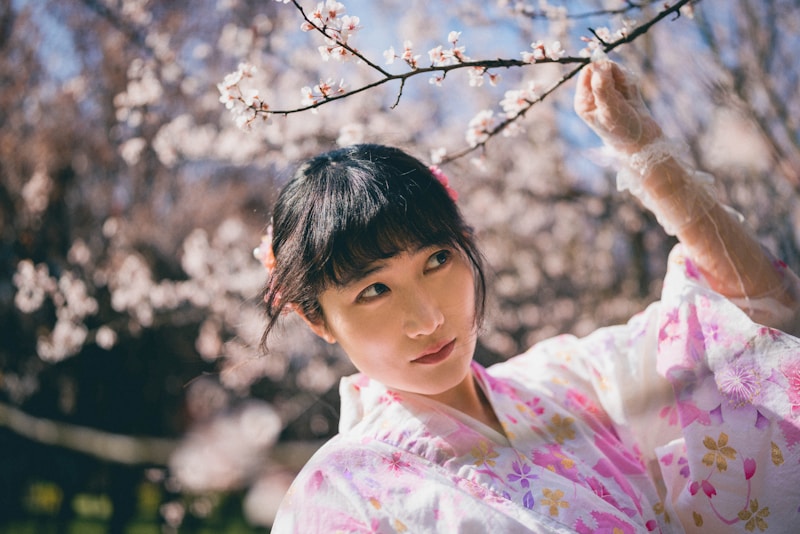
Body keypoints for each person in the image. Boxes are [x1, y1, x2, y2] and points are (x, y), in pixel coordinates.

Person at [261, 58, 800, 533]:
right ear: (318, 320)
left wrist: (655, 164)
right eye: (374, 289)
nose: (425, 318)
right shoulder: (339, 492)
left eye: (438, 261)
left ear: (467, 245)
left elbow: (753, 313)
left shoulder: (567, 379)